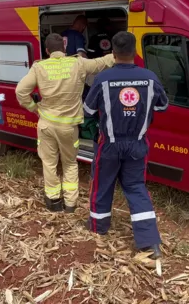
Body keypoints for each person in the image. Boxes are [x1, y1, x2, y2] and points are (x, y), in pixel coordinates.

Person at [82, 31, 169, 260]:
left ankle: (98, 228)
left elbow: (88, 111)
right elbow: (162, 106)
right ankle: (150, 242)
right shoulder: (150, 77)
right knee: (136, 188)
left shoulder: (102, 78)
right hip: (137, 144)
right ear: (135, 52)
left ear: (113, 53)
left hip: (109, 144)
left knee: (102, 185)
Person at [15, 33, 115, 212]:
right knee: (69, 163)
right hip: (69, 126)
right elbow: (102, 62)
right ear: (65, 48)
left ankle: (53, 202)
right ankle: (70, 204)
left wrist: (34, 108)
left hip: (46, 124)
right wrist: (119, 53)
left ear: (47, 50)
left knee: (49, 163)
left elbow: (21, 92)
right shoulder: (78, 63)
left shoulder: (39, 67)